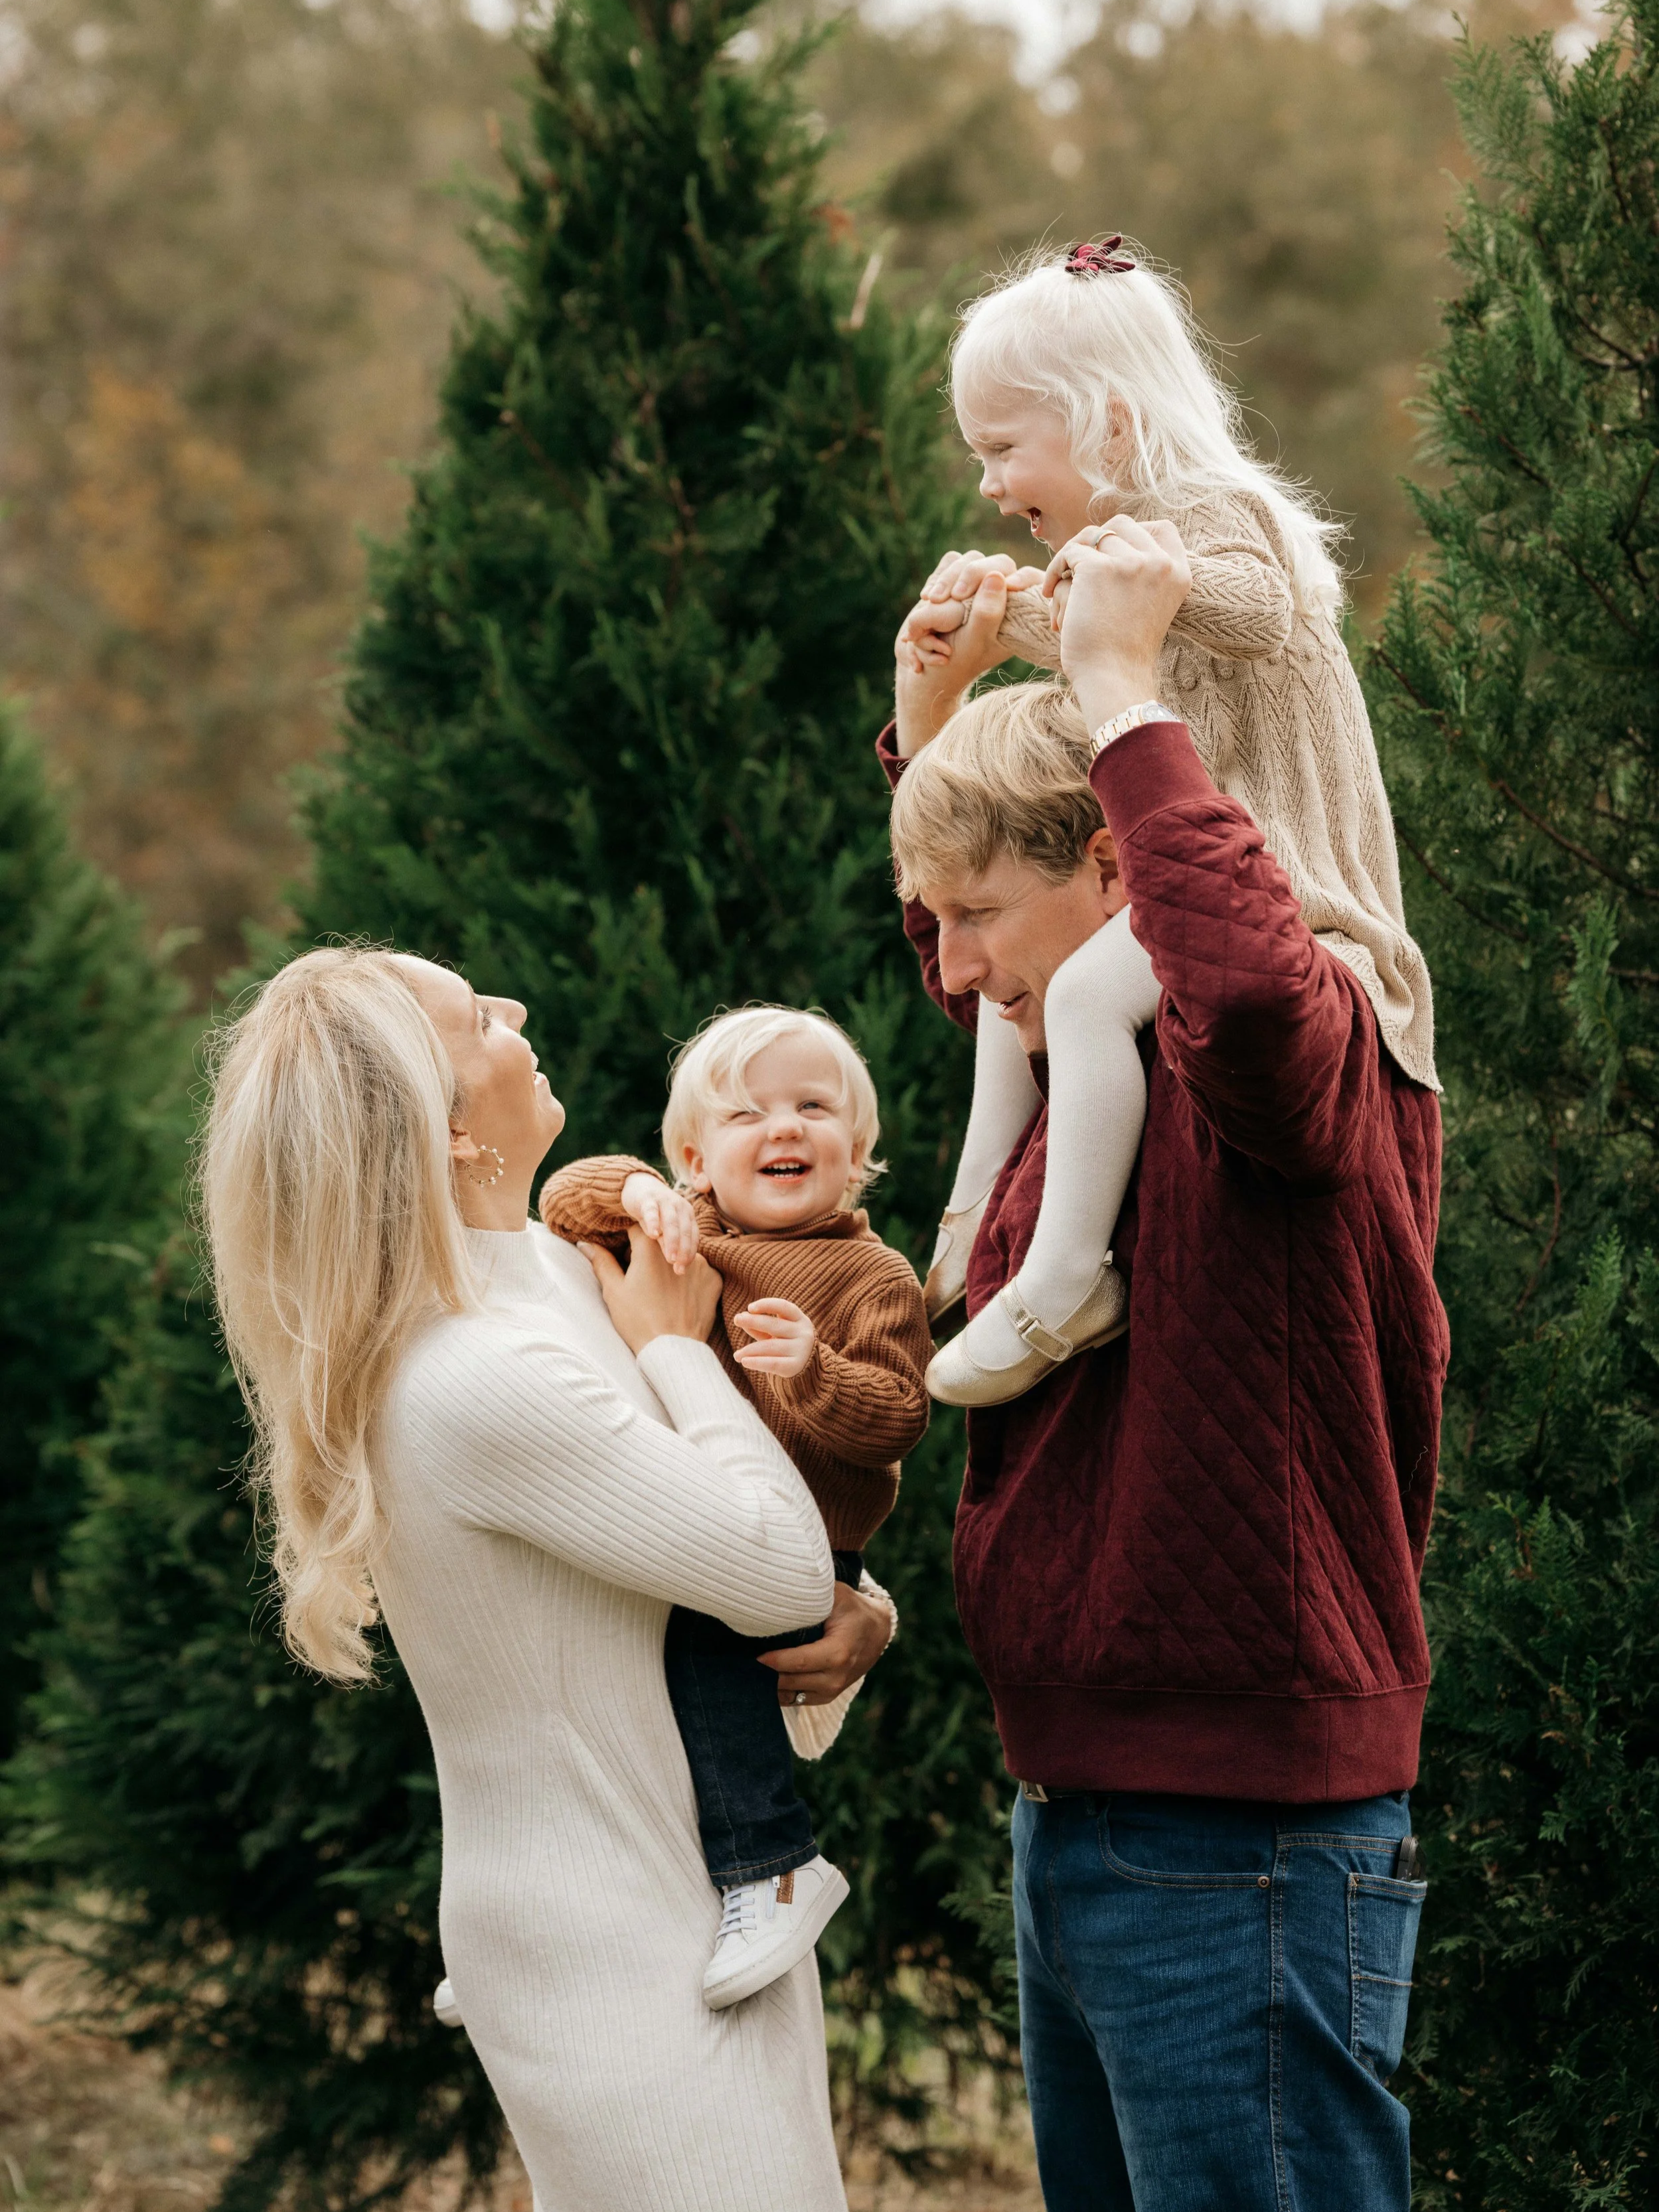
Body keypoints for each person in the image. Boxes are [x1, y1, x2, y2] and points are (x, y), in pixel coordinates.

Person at [881, 515, 1449, 2211]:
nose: (955, 967)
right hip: (1093, 1807)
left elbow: (1248, 996)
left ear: (1124, 868)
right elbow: (1008, 946)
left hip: (1236, 1842)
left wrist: (1122, 689)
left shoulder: (1304, 1037)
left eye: (979, 915)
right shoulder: (1088, 1065)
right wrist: (932, 728)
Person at [198, 946, 894, 2212]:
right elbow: (775, 1569)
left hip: (695, 1890)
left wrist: (868, 1606)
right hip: (609, 1937)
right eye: (480, 1018)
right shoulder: (471, 1375)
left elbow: (750, 1536)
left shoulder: (557, 1269)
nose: (518, 1014)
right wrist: (678, 1354)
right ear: (450, 1128)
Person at [900, 237, 1437, 1407]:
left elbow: (1246, 615)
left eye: (1002, 449)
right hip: (1192, 894)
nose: (989, 484)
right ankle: (975, 1205)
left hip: (1290, 898)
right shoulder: (1123, 560)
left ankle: (1061, 1279)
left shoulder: (1212, 511)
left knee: (1088, 991)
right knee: (1034, 991)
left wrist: (1117, 576)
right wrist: (992, 624)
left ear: (1107, 423)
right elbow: (1098, 654)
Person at [538, 1005, 929, 2008]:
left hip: (798, 1550)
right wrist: (631, 1185)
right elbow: (563, 1198)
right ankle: (564, 1905)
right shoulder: (679, 1231)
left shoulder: (871, 1275)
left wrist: (814, 1372)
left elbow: (897, 1420)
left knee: (715, 1691)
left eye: (813, 1107)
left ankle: (774, 1867)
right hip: (679, 1532)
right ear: (694, 1159)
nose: (785, 1127)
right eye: (747, 1114)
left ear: (859, 1153)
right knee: (604, 1706)